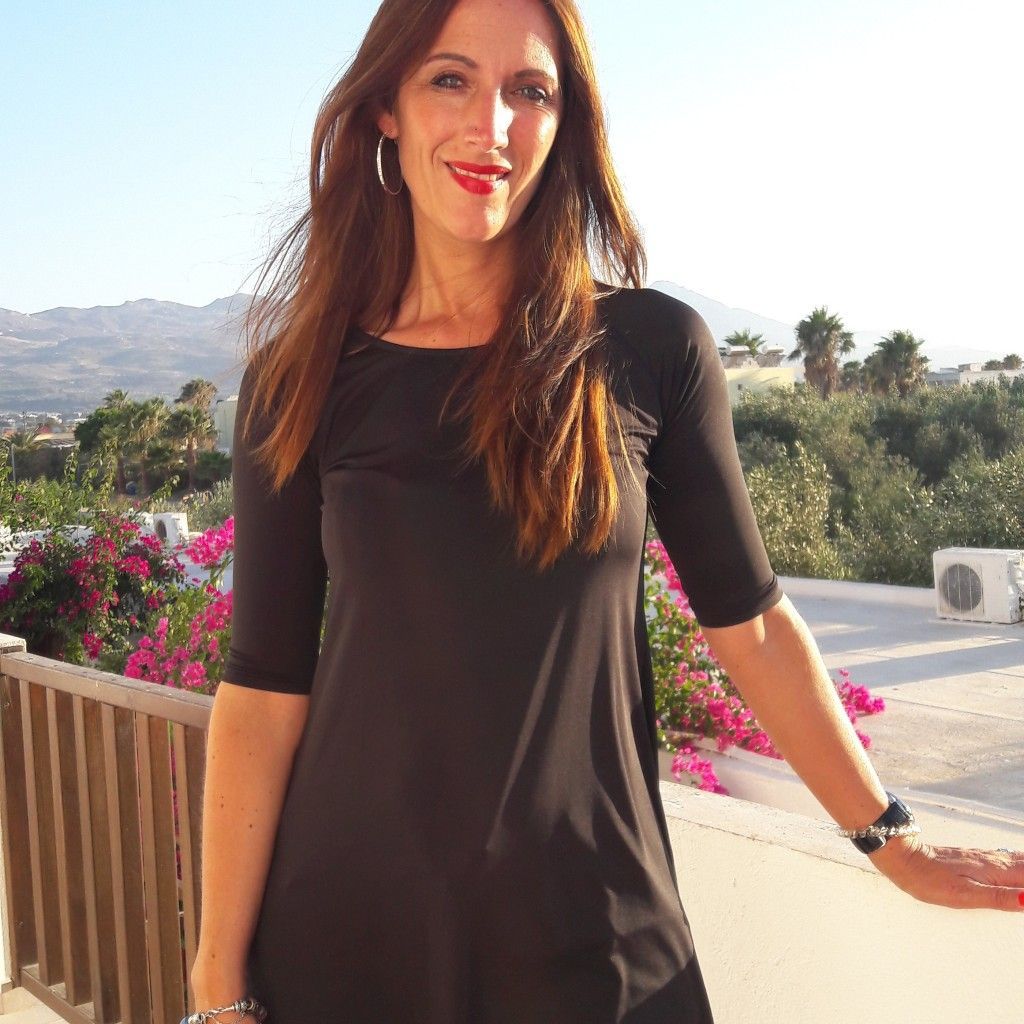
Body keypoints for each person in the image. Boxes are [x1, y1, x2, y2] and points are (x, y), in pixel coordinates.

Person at [187, 1, 1024, 1022]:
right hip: (353, 943)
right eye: (449, 80)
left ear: (564, 121)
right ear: (385, 111)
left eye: (528, 90)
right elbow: (263, 688)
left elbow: (753, 624)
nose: (490, 125)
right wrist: (217, 984)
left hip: (602, 938)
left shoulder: (649, 349)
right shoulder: (302, 378)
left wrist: (892, 840)